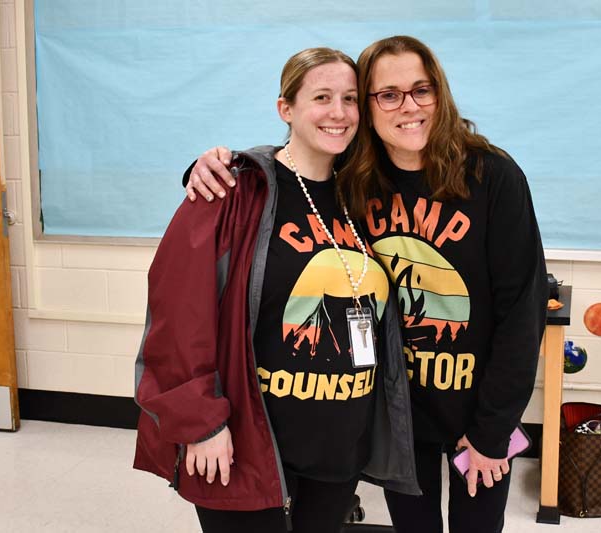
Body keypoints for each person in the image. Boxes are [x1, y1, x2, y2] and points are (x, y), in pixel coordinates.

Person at [184, 35, 548, 533]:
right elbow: (292, 163)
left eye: (421, 90)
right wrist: (212, 166)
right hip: (398, 413)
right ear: (370, 109)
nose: (409, 107)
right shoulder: (356, 179)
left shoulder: (493, 176)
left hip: (478, 409)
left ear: (439, 93)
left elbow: (522, 313)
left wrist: (493, 428)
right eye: (388, 95)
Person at [133, 47, 419, 533]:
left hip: (339, 446)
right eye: (322, 97)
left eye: (350, 99)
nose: (338, 112)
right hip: (250, 444)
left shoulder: (361, 195)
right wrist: (201, 423)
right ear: (286, 108)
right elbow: (178, 316)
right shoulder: (231, 191)